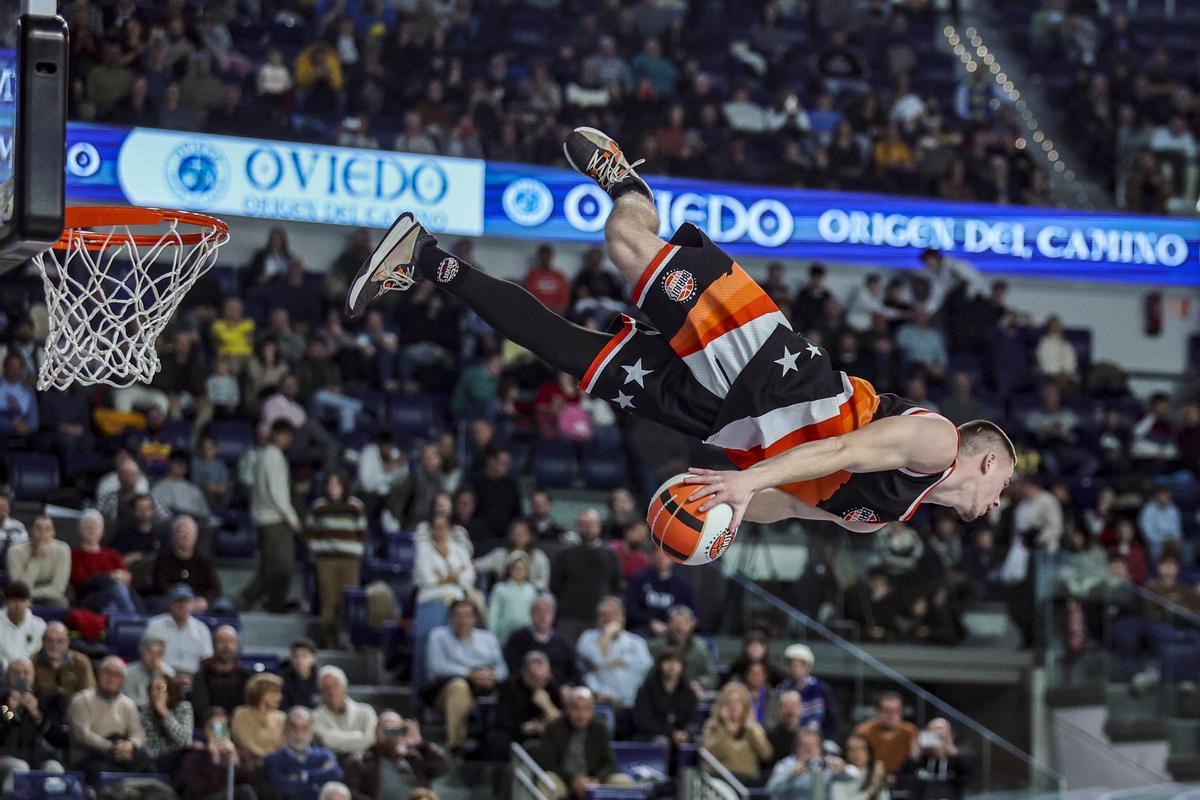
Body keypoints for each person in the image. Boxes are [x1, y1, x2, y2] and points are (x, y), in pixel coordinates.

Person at [345, 127, 1015, 538]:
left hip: (726, 424)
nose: (997, 503)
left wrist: (717, 510)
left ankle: (422, 257)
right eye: (1003, 488)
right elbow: (838, 451)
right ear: (988, 463)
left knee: (561, 349)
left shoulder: (884, 517)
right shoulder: (938, 441)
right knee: (623, 240)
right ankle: (628, 184)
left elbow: (787, 505)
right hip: (766, 366)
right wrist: (748, 485)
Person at [423, 600, 507, 752]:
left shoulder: (487, 638)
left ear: (475, 619)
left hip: (485, 686)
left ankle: (496, 748)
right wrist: (469, 674)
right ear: (450, 618)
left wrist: (492, 676)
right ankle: (456, 747)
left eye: (467, 616)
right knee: (459, 687)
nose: (463, 621)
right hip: (446, 689)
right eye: (458, 616)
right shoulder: (438, 636)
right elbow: (438, 667)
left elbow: (502, 669)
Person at [242, 419, 302, 613]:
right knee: (280, 568)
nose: (288, 439)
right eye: (286, 435)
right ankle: (247, 600)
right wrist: (292, 517)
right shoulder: (273, 457)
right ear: (277, 435)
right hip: (274, 519)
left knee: (273, 568)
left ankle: (274, 602)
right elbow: (277, 493)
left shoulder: (264, 455)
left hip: (265, 518)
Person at [412, 514, 478, 690]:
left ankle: (452, 691)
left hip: (456, 602)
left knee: (454, 649)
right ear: (431, 529)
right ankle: (421, 695)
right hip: (431, 600)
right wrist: (454, 575)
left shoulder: (459, 549)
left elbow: (469, 576)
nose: (440, 530)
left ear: (449, 529)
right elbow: (426, 578)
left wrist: (443, 576)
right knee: (425, 648)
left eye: (444, 527)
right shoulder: (424, 549)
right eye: (436, 527)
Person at [535, 687, 636, 799]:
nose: (581, 715)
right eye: (576, 708)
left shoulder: (600, 729)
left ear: (592, 709)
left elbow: (610, 763)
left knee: (623, 781)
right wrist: (573, 780)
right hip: (565, 780)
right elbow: (548, 763)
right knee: (547, 780)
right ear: (567, 708)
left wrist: (597, 780)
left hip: (594, 780)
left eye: (586, 709)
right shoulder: (554, 728)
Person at [68, 656, 155, 782]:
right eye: (107, 672)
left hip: (120, 754)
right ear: (98, 674)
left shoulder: (128, 704)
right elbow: (82, 735)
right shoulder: (82, 700)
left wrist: (131, 745)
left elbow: (137, 733)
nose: (111, 677)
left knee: (147, 762)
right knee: (104, 769)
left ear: (123, 680)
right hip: (90, 756)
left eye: (117, 674)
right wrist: (111, 747)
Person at [307, 472, 368, 648]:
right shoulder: (318, 507)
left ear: (344, 486)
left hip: (350, 561)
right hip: (326, 560)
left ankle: (346, 638)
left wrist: (355, 550)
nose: (333, 488)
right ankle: (328, 639)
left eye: (337, 484)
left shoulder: (355, 506)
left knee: (347, 600)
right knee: (328, 600)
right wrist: (319, 549)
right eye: (330, 484)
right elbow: (311, 533)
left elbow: (362, 533)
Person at [549, 509, 622, 645]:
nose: (588, 529)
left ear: (599, 527)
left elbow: (616, 586)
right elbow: (554, 585)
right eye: (584, 525)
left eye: (592, 525)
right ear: (578, 527)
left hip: (599, 620)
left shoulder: (610, 555)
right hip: (570, 618)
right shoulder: (565, 555)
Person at [343, 712, 449, 798]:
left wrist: (420, 744)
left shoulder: (417, 757)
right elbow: (352, 793)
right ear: (376, 732)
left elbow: (443, 768)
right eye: (387, 730)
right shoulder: (360, 760)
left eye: (397, 730)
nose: (393, 735)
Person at [576, 596, 653, 709]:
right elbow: (597, 661)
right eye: (604, 614)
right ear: (598, 618)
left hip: (633, 701)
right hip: (602, 699)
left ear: (623, 618)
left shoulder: (636, 641)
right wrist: (606, 637)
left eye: (614, 614)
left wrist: (622, 661)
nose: (609, 618)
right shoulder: (588, 637)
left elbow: (646, 665)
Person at [490, 650, 563, 757]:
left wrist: (548, 706)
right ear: (524, 673)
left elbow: (562, 723)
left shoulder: (552, 686)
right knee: (497, 738)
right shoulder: (510, 686)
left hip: (545, 734)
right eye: (535, 678)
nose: (541, 683)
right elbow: (502, 719)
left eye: (544, 678)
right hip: (517, 732)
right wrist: (529, 727)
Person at [178, 707, 259, 800]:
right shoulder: (193, 758)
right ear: (204, 731)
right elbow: (196, 793)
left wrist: (236, 761)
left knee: (245, 791)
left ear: (229, 731)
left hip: (235, 795)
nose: (218, 734)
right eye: (212, 728)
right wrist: (215, 760)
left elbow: (253, 784)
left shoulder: (240, 754)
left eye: (222, 728)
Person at [264, 707, 344, 800]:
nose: (298, 733)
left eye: (304, 728)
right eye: (293, 727)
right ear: (285, 729)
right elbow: (284, 788)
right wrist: (319, 776)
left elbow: (336, 776)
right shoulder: (274, 759)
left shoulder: (324, 755)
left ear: (312, 729)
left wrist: (302, 776)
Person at [702, 681, 774, 785]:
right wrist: (726, 728)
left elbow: (766, 754)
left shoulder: (753, 728)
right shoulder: (713, 727)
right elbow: (709, 755)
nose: (733, 707)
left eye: (737, 702)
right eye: (729, 702)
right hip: (721, 781)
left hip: (749, 780)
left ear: (744, 706)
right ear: (722, 706)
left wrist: (749, 728)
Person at [151, 515, 223, 613]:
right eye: (182, 532)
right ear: (174, 535)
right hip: (173, 600)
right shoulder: (163, 559)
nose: (186, 536)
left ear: (196, 537)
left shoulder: (203, 560)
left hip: (198, 600)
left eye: (190, 533)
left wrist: (205, 600)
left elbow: (215, 587)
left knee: (223, 605)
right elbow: (160, 585)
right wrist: (181, 601)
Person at [71, 510, 138, 613]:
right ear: (80, 529)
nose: (92, 529)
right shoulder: (74, 555)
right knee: (116, 589)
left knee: (120, 595)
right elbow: (81, 582)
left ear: (102, 530)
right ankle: (133, 618)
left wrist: (122, 578)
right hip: (89, 598)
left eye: (96, 526)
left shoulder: (112, 555)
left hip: (117, 598)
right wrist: (110, 577)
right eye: (87, 526)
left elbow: (126, 578)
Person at [504, 593, 577, 686]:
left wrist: (568, 686)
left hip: (558, 689)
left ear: (554, 616)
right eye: (539, 611)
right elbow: (512, 668)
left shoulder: (562, 643)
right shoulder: (517, 638)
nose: (543, 616)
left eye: (547, 611)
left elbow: (574, 672)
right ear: (531, 613)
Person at [143, 584, 214, 679]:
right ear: (169, 604)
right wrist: (172, 676)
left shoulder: (202, 629)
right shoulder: (155, 625)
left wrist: (195, 680)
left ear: (192, 604)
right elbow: (150, 657)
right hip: (162, 676)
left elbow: (207, 660)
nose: (181, 605)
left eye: (185, 602)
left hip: (194, 680)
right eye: (177, 601)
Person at [631, 648, 698, 746]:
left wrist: (686, 733)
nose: (672, 666)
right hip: (651, 735)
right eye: (668, 661)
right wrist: (671, 733)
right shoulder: (646, 689)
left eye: (677, 662)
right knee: (661, 741)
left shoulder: (688, 691)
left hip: (681, 736)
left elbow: (693, 719)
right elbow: (643, 720)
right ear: (660, 665)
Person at [776, 644, 839, 742]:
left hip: (819, 739)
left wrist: (829, 740)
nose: (796, 669)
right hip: (789, 740)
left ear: (808, 666)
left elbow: (832, 719)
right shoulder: (781, 689)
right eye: (792, 665)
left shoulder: (821, 689)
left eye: (800, 665)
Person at [626, 548, 697, 636]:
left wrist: (672, 625)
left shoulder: (682, 583)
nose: (662, 560)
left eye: (665, 556)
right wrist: (649, 621)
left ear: (673, 559)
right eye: (658, 556)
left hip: (673, 631)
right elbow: (631, 608)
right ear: (652, 556)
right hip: (642, 628)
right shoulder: (639, 579)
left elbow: (693, 612)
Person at [766, 728, 852, 800]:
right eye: (804, 746)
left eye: (812, 745)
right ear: (797, 748)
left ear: (820, 748)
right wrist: (790, 776)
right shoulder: (787, 764)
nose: (808, 750)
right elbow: (771, 790)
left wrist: (843, 770)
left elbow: (853, 776)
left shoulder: (828, 762)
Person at [312, 665, 378, 759]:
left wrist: (336, 742)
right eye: (326, 688)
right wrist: (359, 736)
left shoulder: (366, 711)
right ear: (321, 692)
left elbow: (371, 739)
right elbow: (326, 740)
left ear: (345, 686)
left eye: (335, 685)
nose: (332, 692)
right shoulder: (314, 717)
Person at [896, 718, 971, 800]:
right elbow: (903, 779)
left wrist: (953, 752)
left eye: (942, 735)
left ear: (951, 736)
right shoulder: (920, 759)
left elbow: (969, 777)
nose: (937, 736)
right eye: (932, 734)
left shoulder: (958, 758)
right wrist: (914, 755)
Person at [7, 514, 71, 608]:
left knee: (60, 603)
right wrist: (36, 558)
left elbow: (58, 588)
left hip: (50, 596)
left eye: (47, 529)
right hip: (23, 598)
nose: (43, 533)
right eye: (39, 528)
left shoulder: (63, 550)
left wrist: (30, 593)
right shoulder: (15, 552)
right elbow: (19, 590)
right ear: (31, 530)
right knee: (21, 603)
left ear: (53, 532)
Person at [191, 624, 251, 723]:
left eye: (231, 642)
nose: (227, 647)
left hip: (239, 724)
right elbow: (200, 708)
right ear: (213, 645)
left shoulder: (245, 675)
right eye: (222, 641)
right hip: (211, 724)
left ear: (237, 646)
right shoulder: (202, 675)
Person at [648, 605, 716, 693]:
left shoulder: (701, 648)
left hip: (692, 692)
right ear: (668, 624)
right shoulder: (656, 647)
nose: (679, 627)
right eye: (676, 622)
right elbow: (648, 674)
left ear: (692, 623)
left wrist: (699, 683)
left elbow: (711, 676)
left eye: (684, 623)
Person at [474, 520, 551, 591]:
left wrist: (527, 588)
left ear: (530, 536)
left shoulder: (538, 556)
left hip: (532, 593)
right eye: (515, 533)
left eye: (522, 534)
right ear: (510, 535)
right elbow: (477, 565)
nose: (519, 537)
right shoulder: (500, 555)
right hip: (506, 593)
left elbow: (544, 581)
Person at [853, 692, 919, 775]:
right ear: (877, 712)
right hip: (869, 775)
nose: (892, 716)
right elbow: (855, 760)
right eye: (887, 711)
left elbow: (915, 758)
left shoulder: (909, 731)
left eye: (896, 711)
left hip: (902, 777)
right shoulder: (863, 731)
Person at [139, 674, 193, 772]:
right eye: (152, 689)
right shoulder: (145, 712)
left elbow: (185, 741)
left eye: (160, 688)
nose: (155, 693)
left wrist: (164, 712)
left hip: (178, 760)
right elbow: (150, 747)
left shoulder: (184, 707)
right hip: (155, 761)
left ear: (170, 690)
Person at [487, 552, 540, 647]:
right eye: (516, 568)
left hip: (526, 636)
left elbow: (535, 614)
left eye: (522, 569)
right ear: (510, 570)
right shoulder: (500, 589)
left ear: (527, 571)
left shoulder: (531, 590)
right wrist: (491, 635)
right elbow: (493, 614)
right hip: (504, 635)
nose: (519, 571)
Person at [34, 622, 95, 700]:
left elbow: (89, 694)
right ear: (43, 641)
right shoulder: (32, 662)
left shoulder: (81, 662)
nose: (54, 646)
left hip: (75, 705)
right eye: (49, 641)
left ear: (67, 642)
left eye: (60, 641)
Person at [233, 673, 287, 760]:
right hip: (252, 762)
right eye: (275, 693)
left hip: (278, 762)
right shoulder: (242, 714)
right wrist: (269, 759)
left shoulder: (281, 717)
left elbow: (285, 745)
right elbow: (247, 744)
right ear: (262, 695)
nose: (280, 697)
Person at [122, 635, 175, 709]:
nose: (154, 657)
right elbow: (130, 701)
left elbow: (170, 700)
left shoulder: (168, 672)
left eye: (158, 654)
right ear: (142, 653)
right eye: (150, 652)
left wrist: (159, 677)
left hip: (161, 711)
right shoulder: (129, 672)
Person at [831, 734, 890, 800]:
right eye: (851, 749)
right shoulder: (839, 778)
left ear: (869, 754)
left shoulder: (876, 774)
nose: (856, 753)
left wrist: (877, 780)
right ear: (845, 753)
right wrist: (869, 791)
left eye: (861, 749)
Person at [0, 581, 46, 664]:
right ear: (6, 601)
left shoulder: (39, 625)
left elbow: (39, 653)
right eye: (14, 600)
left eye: (22, 600)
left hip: (30, 669)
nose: (18, 605)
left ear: (29, 602)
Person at [282, 639, 321, 710]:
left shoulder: (322, 681)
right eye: (295, 656)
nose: (299, 661)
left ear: (314, 658)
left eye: (304, 656)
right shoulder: (282, 680)